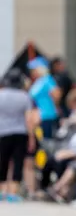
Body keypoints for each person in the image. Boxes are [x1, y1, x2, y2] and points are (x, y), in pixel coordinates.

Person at [0, 68, 35, 201]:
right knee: (18, 162)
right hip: (20, 133)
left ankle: (1, 191)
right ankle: (13, 193)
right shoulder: (24, 96)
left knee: (2, 161)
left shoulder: (1, 94)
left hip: (3, 132)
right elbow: (29, 119)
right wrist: (31, 137)